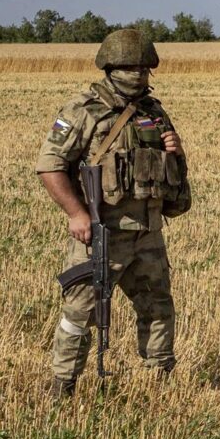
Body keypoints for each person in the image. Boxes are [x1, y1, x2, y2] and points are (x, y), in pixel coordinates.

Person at [35, 29, 191, 397]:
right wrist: (76, 214)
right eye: (128, 66)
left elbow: (173, 182)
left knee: (158, 309)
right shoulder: (82, 110)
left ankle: (160, 381)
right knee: (80, 315)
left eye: (142, 67)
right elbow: (50, 165)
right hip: (103, 231)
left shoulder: (154, 113)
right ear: (110, 67)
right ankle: (63, 386)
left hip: (148, 232)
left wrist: (176, 151)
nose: (137, 73)